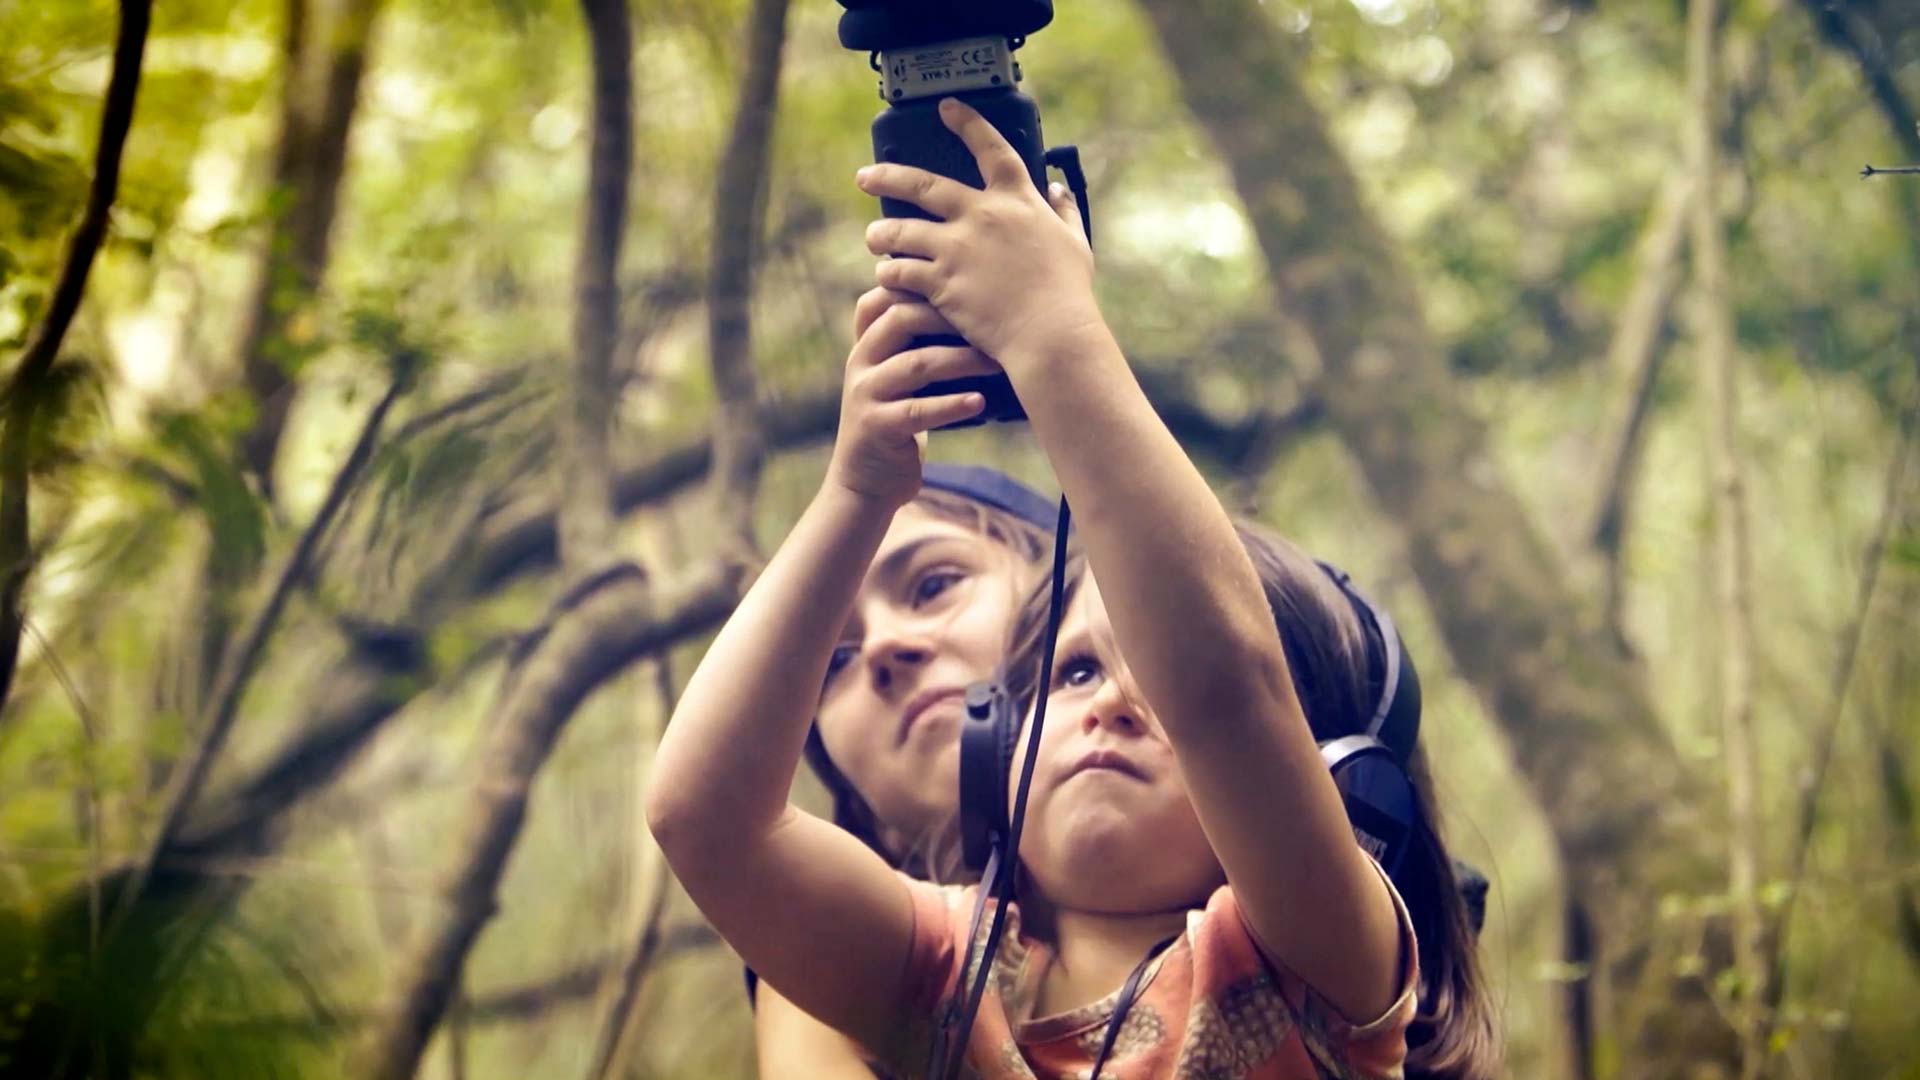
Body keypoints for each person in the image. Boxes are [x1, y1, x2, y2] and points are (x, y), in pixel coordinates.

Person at [648, 97, 1497, 1077]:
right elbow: (703, 822)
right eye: (1078, 670)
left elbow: (1225, 689)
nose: (1123, 705)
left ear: (1326, 786)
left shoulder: (1314, 963)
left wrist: (1056, 338)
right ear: (994, 752)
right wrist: (854, 490)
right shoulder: (948, 971)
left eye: (1152, 675)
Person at [752, 459, 1054, 1078]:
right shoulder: (819, 982)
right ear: (867, 818)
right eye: (833, 662)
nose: (886, 644)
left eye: (934, 584)